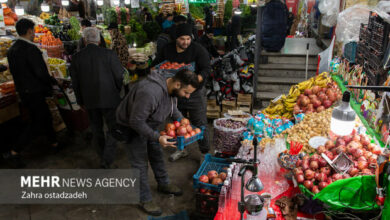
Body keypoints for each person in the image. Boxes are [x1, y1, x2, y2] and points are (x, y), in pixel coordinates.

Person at [116, 68, 199, 216]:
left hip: (150, 123)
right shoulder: (150, 92)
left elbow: (173, 110)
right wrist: (157, 137)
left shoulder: (171, 87)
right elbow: (136, 122)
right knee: (140, 164)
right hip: (131, 126)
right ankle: (145, 199)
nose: (187, 97)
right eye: (186, 92)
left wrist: (184, 123)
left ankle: (164, 183)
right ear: (178, 84)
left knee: (156, 154)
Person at [152, 23, 211, 162]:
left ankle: (204, 153)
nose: (186, 42)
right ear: (176, 38)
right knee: (178, 123)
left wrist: (194, 81)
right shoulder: (167, 49)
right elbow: (155, 65)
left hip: (193, 93)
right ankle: (181, 149)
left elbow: (206, 69)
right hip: (174, 94)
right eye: (182, 39)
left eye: (188, 38)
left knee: (200, 122)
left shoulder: (198, 50)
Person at [70, 27, 124, 168]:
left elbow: (75, 83)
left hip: (89, 100)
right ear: (99, 40)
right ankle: (107, 159)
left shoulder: (76, 58)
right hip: (110, 98)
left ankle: (102, 157)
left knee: (96, 129)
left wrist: (80, 101)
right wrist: (117, 90)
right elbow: (119, 76)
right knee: (113, 129)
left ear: (84, 40)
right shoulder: (109, 54)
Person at [7, 18, 59, 160]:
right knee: (36, 122)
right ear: (29, 31)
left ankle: (54, 142)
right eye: (34, 31)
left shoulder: (12, 49)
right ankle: (15, 151)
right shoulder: (31, 49)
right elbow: (40, 72)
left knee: (45, 116)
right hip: (34, 91)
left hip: (22, 91)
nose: (34, 34)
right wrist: (52, 82)